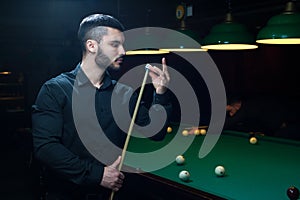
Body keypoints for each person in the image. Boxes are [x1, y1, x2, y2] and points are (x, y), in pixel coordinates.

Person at [31, 13, 172, 200]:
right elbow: (46, 147)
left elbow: (156, 133)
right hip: (66, 194)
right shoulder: (55, 89)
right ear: (91, 46)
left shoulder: (124, 93)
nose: (123, 51)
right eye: (115, 44)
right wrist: (98, 175)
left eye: (123, 45)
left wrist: (160, 93)